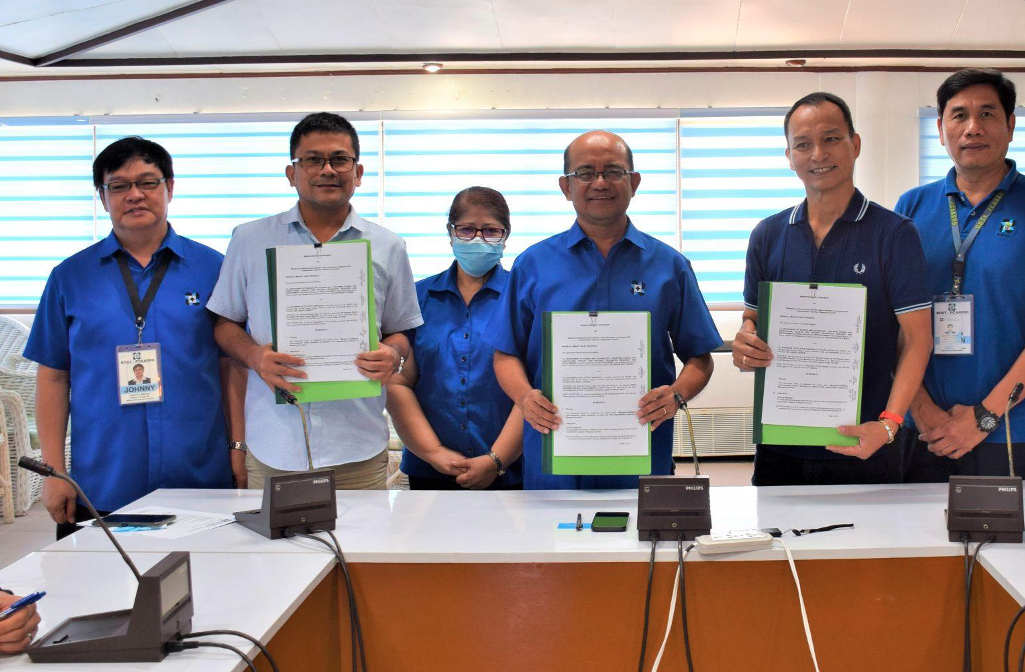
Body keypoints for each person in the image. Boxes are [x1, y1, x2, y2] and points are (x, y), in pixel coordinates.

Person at [24, 137, 242, 539]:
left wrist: (238, 449)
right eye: (119, 185)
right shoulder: (69, 277)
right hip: (102, 482)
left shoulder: (213, 269)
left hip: (200, 479)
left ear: (170, 188)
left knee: (209, 593)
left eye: (148, 182)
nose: (135, 195)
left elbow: (230, 367)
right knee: (98, 597)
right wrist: (54, 472)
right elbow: (53, 376)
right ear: (102, 197)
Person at [488, 130, 721, 489]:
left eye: (613, 171)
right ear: (566, 187)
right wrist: (524, 397)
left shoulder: (669, 265)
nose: (600, 182)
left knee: (642, 544)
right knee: (552, 543)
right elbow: (505, 354)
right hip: (554, 454)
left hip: (642, 455)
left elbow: (700, 358)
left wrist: (676, 394)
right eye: (585, 173)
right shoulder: (532, 265)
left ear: (634, 182)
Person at [209, 113, 423, 489]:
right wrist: (256, 357)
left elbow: (400, 331)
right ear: (292, 173)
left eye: (339, 159)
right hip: (275, 447)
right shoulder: (249, 240)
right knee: (277, 550)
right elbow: (225, 324)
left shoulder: (389, 247)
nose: (327, 169)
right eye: (312, 159)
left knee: (362, 549)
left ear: (357, 172)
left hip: (357, 445)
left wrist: (393, 356)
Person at [730, 92, 934, 484]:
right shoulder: (768, 235)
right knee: (778, 544)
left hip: (866, 443)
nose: (818, 154)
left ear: (855, 145)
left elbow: (917, 340)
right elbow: (752, 319)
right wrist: (744, 345)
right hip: (779, 446)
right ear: (789, 157)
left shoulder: (894, 234)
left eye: (831, 138)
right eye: (803, 144)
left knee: (867, 546)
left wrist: (889, 424)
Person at [895, 69, 1025, 481]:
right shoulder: (911, 207)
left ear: (1011, 125)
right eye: (958, 115)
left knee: (1020, 546)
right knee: (916, 544)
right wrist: (920, 408)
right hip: (925, 429)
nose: (973, 128)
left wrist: (982, 418)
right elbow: (892, 323)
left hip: (1015, 431)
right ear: (942, 130)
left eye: (988, 114)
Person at [387, 187, 524, 490]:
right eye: (466, 229)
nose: (478, 239)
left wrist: (496, 460)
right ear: (450, 233)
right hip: (430, 471)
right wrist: (433, 453)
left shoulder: (522, 298)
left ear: (506, 235)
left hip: (510, 472)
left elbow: (533, 391)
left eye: (490, 230)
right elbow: (399, 382)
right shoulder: (418, 298)